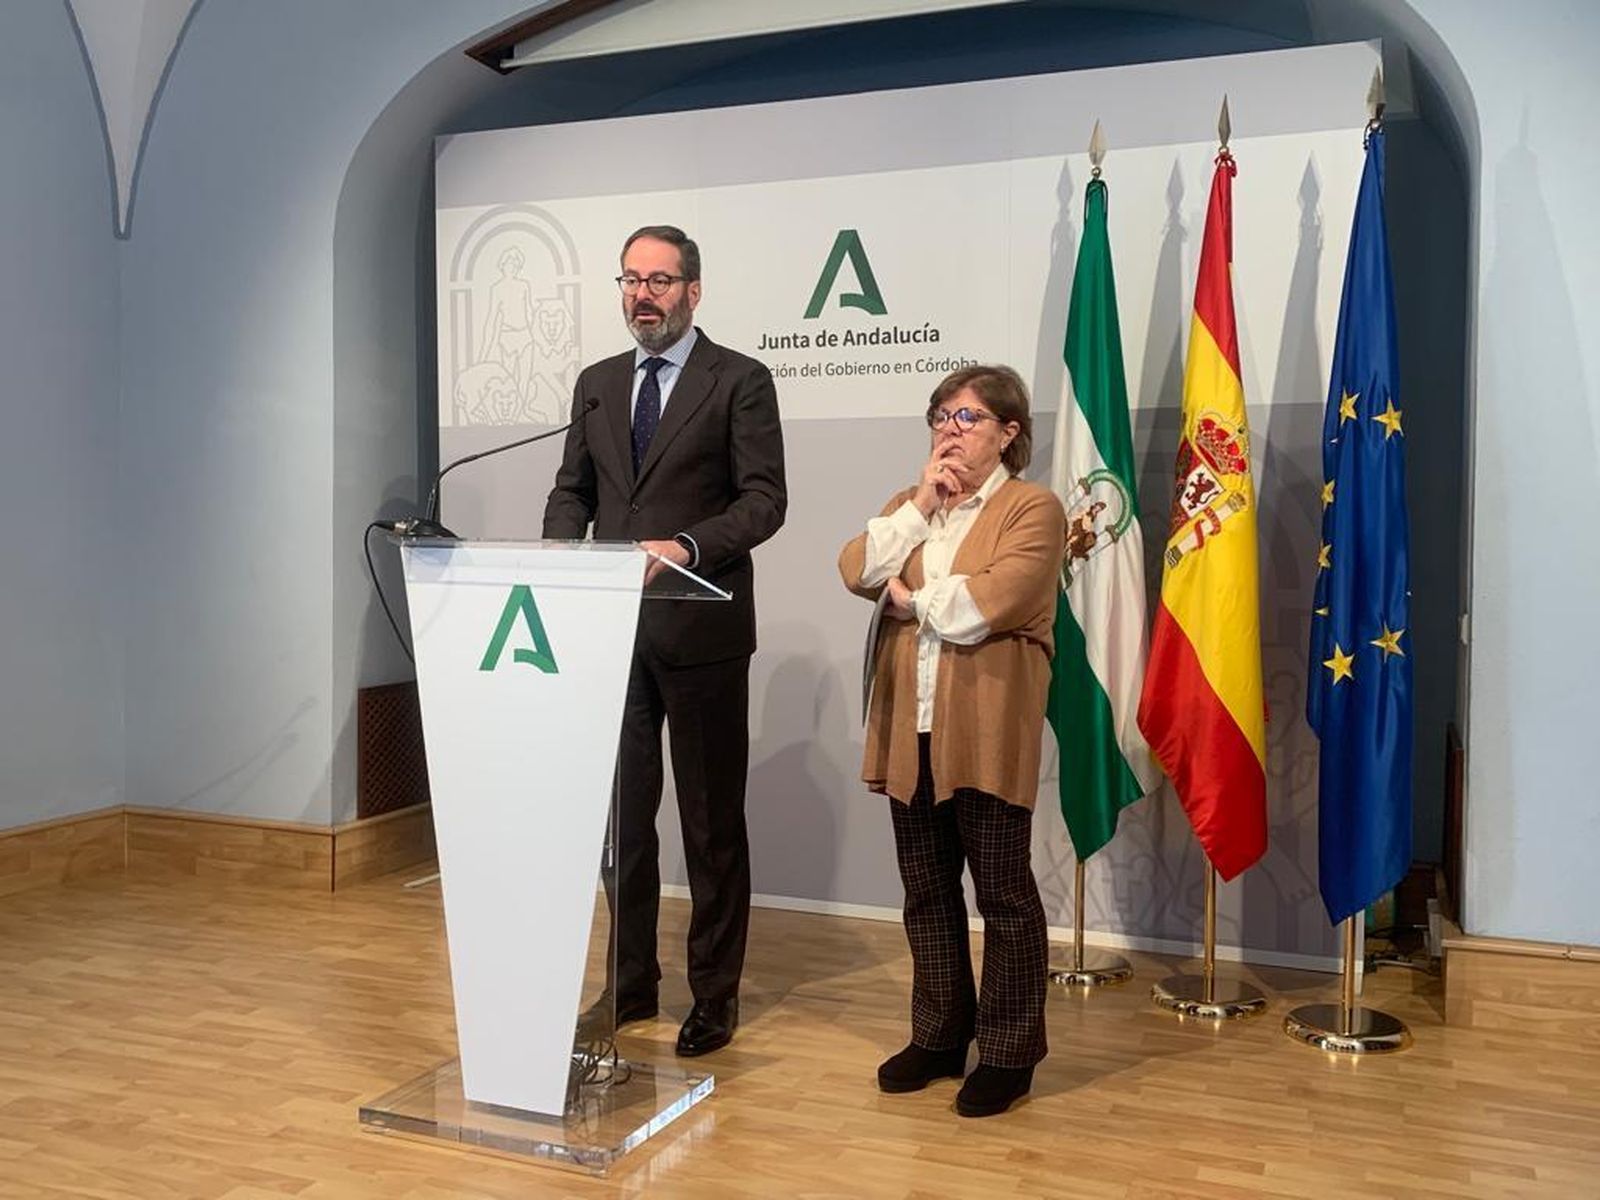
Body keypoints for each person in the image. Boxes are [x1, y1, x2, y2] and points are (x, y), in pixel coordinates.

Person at [543, 226, 786, 1056]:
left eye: (660, 280)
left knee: (711, 825)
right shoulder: (598, 383)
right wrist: (555, 553)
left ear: (693, 290)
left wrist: (684, 546)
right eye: (631, 280)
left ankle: (713, 995)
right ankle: (630, 984)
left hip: (703, 630)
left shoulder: (740, 381)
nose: (642, 294)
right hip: (612, 636)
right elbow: (572, 491)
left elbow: (763, 502)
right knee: (624, 824)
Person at [838, 365, 1064, 1117]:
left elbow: (987, 603)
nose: (950, 430)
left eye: (968, 418)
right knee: (926, 890)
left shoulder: (1034, 509)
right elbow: (855, 568)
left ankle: (1007, 1051)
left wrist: (909, 598)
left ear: (1008, 434)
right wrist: (922, 506)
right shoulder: (912, 507)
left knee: (1002, 895)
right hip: (911, 723)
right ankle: (938, 1034)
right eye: (941, 415)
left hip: (988, 728)